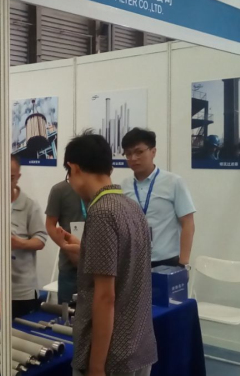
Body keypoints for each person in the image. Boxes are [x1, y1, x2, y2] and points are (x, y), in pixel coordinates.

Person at [64, 131, 157, 376]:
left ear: (74, 168)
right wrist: (86, 251)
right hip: (139, 346)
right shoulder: (131, 207)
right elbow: (126, 265)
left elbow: (105, 296)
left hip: (112, 356)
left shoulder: (101, 213)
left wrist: (96, 365)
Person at [0, 154, 47, 319]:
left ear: (18, 177)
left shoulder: (29, 204)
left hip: (21, 291)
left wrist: (20, 243)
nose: (5, 183)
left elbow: (40, 240)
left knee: (22, 332)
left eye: (10, 178)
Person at [121, 128, 196, 269]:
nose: (133, 158)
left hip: (167, 262)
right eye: (128, 154)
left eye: (139, 152)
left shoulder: (173, 182)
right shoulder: (123, 186)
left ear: (153, 152)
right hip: (134, 263)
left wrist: (183, 263)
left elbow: (188, 223)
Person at [45, 177, 84, 304]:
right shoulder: (59, 190)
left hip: (95, 267)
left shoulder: (95, 188)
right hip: (69, 268)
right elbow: (50, 225)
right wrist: (65, 246)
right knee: (67, 313)